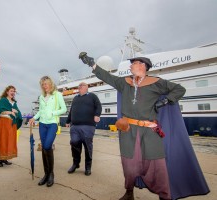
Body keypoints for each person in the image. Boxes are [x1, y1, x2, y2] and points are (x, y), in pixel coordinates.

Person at [79, 52, 192, 200]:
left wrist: (165, 101)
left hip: (150, 131)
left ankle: (164, 196)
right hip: (128, 131)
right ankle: (129, 192)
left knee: (157, 165)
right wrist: (91, 64)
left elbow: (179, 89)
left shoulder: (156, 82)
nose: (131, 65)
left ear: (142, 66)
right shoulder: (124, 83)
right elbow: (106, 76)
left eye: (134, 63)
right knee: (128, 164)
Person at [29, 76, 67, 187]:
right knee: (44, 148)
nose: (44, 86)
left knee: (47, 145)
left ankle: (51, 174)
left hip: (52, 124)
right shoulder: (42, 97)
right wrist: (33, 118)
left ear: (50, 84)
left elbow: (64, 109)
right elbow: (40, 111)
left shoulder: (57, 95)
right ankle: (46, 174)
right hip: (42, 124)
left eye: (46, 83)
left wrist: (53, 113)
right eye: (42, 84)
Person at [65, 82, 102, 176]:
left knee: (87, 146)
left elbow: (99, 106)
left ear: (87, 87)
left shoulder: (92, 96)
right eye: (79, 85)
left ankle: (88, 167)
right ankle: (75, 163)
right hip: (75, 126)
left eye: (83, 85)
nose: (80, 86)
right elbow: (71, 110)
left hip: (88, 126)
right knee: (74, 143)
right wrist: (68, 121)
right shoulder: (75, 98)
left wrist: (97, 115)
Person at [0, 85, 23, 167]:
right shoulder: (3, 100)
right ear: (7, 92)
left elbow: (18, 112)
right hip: (4, 122)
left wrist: (16, 112)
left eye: (14, 91)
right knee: (3, 140)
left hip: (12, 124)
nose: (13, 92)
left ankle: (5, 158)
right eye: (11, 91)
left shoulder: (14, 103)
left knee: (9, 141)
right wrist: (10, 111)